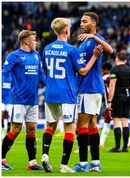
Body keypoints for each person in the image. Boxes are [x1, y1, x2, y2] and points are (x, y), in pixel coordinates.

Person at [41, 18, 103, 173]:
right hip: (66, 93)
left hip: (50, 92)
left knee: (50, 126)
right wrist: (94, 57)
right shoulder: (71, 49)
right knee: (70, 127)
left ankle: (44, 155)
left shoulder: (46, 48)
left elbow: (45, 70)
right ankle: (64, 165)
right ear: (66, 30)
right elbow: (82, 71)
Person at [73, 12, 113, 172]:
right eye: (81, 21)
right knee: (91, 124)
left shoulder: (95, 39)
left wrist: (93, 37)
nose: (81, 24)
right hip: (89, 87)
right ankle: (95, 163)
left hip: (89, 87)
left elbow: (110, 50)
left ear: (93, 24)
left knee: (81, 124)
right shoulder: (82, 43)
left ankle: (83, 164)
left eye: (85, 21)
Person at [2, 30, 45, 170]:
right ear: (26, 41)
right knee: (16, 129)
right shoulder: (14, 56)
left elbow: (41, 75)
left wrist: (50, 86)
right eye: (34, 39)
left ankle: (32, 163)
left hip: (32, 100)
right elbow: (4, 72)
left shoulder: (36, 55)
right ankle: (1, 160)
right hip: (18, 99)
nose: (36, 42)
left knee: (32, 130)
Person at [107, 52, 130, 152]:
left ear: (116, 59)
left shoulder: (115, 69)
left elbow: (112, 84)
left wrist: (110, 101)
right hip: (128, 97)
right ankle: (125, 147)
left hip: (118, 97)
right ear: (126, 60)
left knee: (117, 121)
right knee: (125, 122)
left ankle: (117, 147)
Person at [1, 71, 12, 137]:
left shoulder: (12, 76)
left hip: (10, 100)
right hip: (2, 100)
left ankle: (8, 128)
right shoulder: (2, 76)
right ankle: (2, 126)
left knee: (10, 114)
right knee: (1, 112)